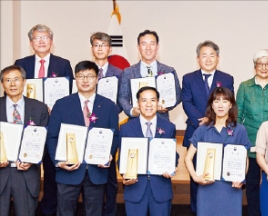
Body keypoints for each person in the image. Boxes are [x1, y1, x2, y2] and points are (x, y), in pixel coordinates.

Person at [46, 61, 120, 216]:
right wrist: (58, 162)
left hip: (96, 171)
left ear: (97, 78)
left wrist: (108, 154)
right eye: (81, 76)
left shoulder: (108, 106)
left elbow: (114, 136)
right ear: (75, 78)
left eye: (90, 76)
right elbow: (52, 136)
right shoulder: (61, 105)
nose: (85, 80)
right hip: (68, 171)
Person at [13, 24, 72, 216]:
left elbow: (70, 94)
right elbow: (16, 92)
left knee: (51, 169)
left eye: (45, 37)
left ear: (51, 41)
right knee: (28, 169)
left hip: (54, 124)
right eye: (37, 38)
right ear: (31, 42)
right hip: (29, 123)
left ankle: (48, 210)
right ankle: (28, 208)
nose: (41, 41)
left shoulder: (63, 64)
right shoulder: (21, 63)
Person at [181, 40, 234, 213]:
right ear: (198, 58)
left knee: (218, 177)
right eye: (204, 55)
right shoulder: (188, 78)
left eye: (212, 55)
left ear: (218, 58)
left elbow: (228, 102)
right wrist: (201, 119)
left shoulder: (227, 78)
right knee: (197, 178)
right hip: (196, 130)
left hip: (220, 134)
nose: (208, 59)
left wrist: (212, 119)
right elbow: (187, 102)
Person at [184, 87, 250, 216]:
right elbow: (188, 158)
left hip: (231, 187)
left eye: (225, 101)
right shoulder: (202, 129)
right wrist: (196, 177)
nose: (220, 105)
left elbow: (245, 159)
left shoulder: (240, 129)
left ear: (230, 105)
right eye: (216, 101)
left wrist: (241, 177)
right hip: (207, 186)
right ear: (212, 105)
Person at [237, 49, 268, 215]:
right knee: (251, 185)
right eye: (260, 64)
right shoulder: (244, 86)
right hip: (250, 143)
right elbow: (237, 115)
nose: (264, 67)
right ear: (255, 66)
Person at [0, 65, 49, 216]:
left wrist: (33, 159)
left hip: (26, 174)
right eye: (8, 80)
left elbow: (46, 141)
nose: (12, 84)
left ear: (24, 82)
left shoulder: (39, 108)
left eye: (16, 79)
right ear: (2, 84)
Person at [119, 86, 176, 215]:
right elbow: (122, 157)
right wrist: (124, 175)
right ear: (138, 103)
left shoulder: (169, 127)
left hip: (161, 188)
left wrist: (173, 166)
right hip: (135, 187)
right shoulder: (126, 128)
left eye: (153, 100)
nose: (148, 104)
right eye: (144, 100)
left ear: (158, 103)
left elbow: (173, 154)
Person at [90, 31, 123, 216]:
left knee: (109, 174)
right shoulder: (84, 71)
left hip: (109, 126)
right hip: (86, 127)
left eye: (104, 45)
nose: (100, 48)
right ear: (92, 48)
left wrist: (107, 114)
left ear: (110, 48)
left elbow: (122, 99)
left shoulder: (119, 73)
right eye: (96, 45)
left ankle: (109, 211)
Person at [118, 30, 181, 120]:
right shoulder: (128, 72)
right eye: (144, 44)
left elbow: (178, 94)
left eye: (152, 44)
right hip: (136, 123)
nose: (148, 48)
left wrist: (167, 105)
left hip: (161, 121)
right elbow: (122, 97)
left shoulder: (169, 71)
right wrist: (132, 110)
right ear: (138, 47)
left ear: (157, 47)